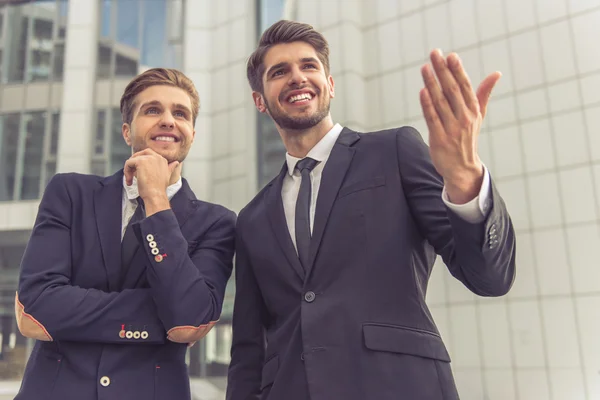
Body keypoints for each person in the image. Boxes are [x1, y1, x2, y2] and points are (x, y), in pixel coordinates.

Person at [226, 20, 516, 400]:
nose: (297, 77)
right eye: (279, 72)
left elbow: (489, 278)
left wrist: (464, 179)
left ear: (330, 84)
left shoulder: (394, 151)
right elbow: (249, 348)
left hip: (397, 385)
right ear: (260, 100)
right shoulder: (252, 218)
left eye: (309, 66)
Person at [14, 68, 236, 400]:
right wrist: (159, 319)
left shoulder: (216, 223)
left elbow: (190, 320)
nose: (167, 120)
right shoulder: (70, 193)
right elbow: (35, 310)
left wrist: (156, 200)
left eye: (180, 113)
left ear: (192, 133)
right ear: (126, 130)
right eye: (152, 110)